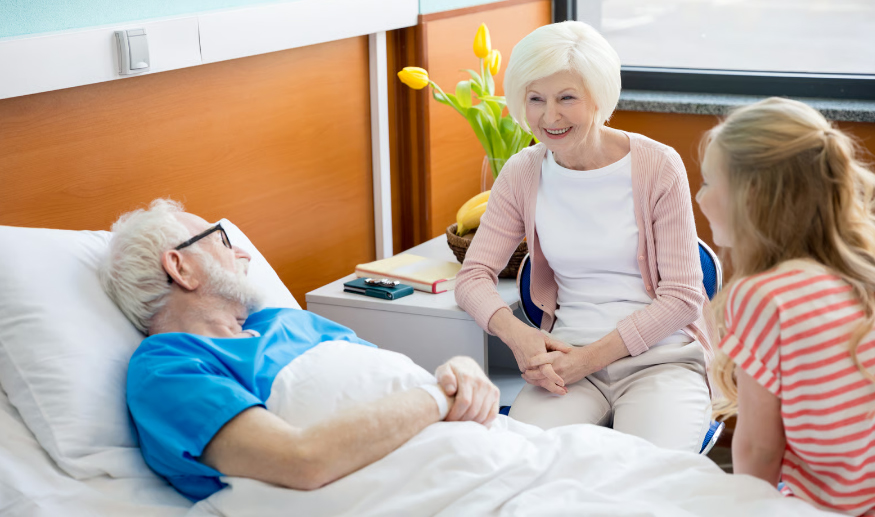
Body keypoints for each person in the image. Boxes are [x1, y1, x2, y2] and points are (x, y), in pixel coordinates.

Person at [99, 199, 500, 501]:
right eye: (222, 240)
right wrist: (437, 397)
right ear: (180, 268)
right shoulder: (168, 368)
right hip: (439, 491)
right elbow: (303, 461)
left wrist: (461, 371)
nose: (245, 254)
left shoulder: (285, 321)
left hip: (492, 457)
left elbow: (390, 387)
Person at [455, 20, 713, 452]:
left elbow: (684, 297)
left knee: (640, 481)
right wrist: (521, 338)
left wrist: (589, 359)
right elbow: (472, 277)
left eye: (567, 98)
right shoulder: (523, 171)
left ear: (599, 96)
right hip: (565, 363)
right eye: (535, 99)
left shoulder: (657, 165)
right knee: (519, 467)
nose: (549, 116)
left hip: (660, 361)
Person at [697, 97, 875, 515]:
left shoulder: (765, 297)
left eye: (708, 182)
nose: (700, 198)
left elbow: (760, 448)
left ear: (751, 196)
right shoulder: (862, 271)